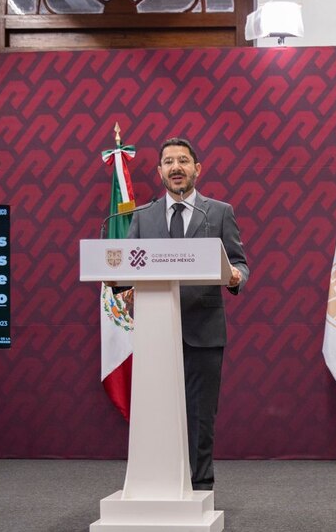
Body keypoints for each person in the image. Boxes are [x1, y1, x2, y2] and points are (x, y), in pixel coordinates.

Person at [126, 137, 249, 491]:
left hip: (204, 330)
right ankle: (158, 482)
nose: (176, 167)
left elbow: (238, 261)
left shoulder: (219, 212)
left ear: (198, 168)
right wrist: (127, 288)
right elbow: (131, 268)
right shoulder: (141, 216)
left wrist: (237, 276)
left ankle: (200, 486)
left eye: (183, 160)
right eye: (168, 161)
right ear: (159, 171)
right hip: (154, 332)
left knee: (200, 416)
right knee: (156, 412)